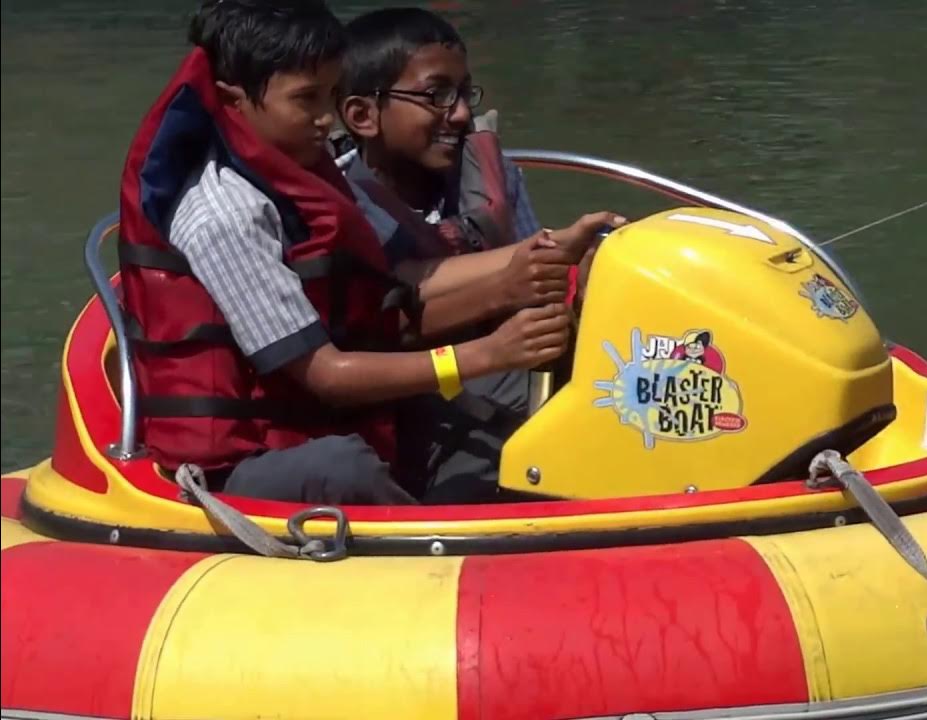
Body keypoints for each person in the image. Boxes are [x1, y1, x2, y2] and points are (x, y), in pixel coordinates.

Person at [116, 0, 596, 505]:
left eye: (331, 95)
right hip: (247, 461)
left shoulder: (302, 172)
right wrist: (484, 354)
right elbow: (326, 376)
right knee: (343, 466)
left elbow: (395, 280)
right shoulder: (224, 215)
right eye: (307, 100)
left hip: (327, 419)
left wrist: (550, 252)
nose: (327, 120)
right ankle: (439, 556)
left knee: (496, 408)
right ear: (231, 100)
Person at [335, 7, 621, 502]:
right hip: (417, 409)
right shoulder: (338, 208)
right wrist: (505, 293)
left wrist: (583, 271)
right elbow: (371, 334)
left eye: (464, 93)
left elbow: (541, 290)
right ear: (363, 116)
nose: (462, 113)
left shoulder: (492, 175)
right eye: (436, 95)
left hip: (524, 378)